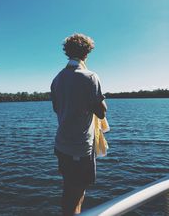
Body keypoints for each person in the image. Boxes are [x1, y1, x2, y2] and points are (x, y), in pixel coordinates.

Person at [51, 33, 107, 216]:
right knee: (76, 194)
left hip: (61, 145)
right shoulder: (90, 77)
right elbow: (101, 112)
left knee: (69, 189)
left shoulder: (57, 79)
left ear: (67, 52)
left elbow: (56, 108)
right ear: (86, 54)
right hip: (80, 147)